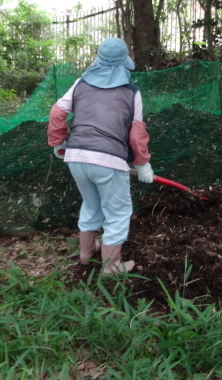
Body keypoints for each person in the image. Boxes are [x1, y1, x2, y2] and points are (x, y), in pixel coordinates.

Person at [47, 38, 154, 274]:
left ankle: (86, 253)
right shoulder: (131, 92)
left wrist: (59, 142)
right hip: (108, 159)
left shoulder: (80, 84)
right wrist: (143, 164)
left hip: (76, 157)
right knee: (117, 212)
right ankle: (112, 265)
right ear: (124, 64)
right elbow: (136, 135)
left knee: (92, 203)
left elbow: (57, 112)